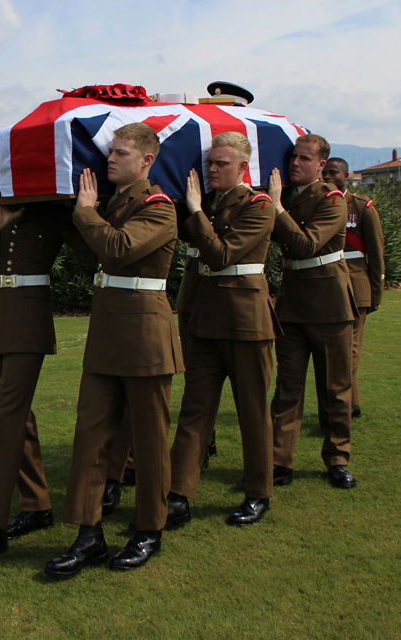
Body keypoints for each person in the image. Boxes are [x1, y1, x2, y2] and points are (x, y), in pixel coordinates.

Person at [44, 123, 183, 578]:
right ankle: (88, 535)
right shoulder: (113, 205)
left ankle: (149, 530)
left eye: (121, 153)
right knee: (90, 437)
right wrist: (67, 213)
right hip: (107, 334)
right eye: (111, 151)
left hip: (145, 337)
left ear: (146, 161)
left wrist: (86, 212)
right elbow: (95, 249)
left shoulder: (159, 206)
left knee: (148, 440)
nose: (110, 158)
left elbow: (118, 248)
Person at [0, 183, 92, 567]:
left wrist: (84, 212)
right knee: (17, 417)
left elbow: (96, 253)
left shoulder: (53, 213)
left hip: (30, 324)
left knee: (8, 417)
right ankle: (36, 505)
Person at [167, 132, 280, 527]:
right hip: (203, 318)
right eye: (210, 162)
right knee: (195, 408)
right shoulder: (206, 203)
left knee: (252, 410)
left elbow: (220, 255)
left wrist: (195, 210)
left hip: (245, 321)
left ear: (243, 168)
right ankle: (178, 493)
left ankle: (258, 492)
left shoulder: (259, 205)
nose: (212, 169)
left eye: (221, 164)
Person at [268, 134, 359, 490]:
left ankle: (337, 459)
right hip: (292, 304)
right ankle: (278, 461)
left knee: (334, 388)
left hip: (328, 304)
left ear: (321, 165)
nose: (295, 163)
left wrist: (277, 209)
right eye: (293, 156)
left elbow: (307, 244)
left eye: (305, 158)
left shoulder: (332, 199)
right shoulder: (287, 196)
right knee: (287, 388)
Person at [322, 158, 385, 419]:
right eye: (324, 173)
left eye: (333, 173)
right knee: (337, 350)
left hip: (356, 286)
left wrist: (375, 293)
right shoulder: (318, 204)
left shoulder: (361, 207)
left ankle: (343, 405)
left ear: (346, 176)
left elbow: (376, 254)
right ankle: (352, 401)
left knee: (350, 349)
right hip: (327, 285)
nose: (327, 177)